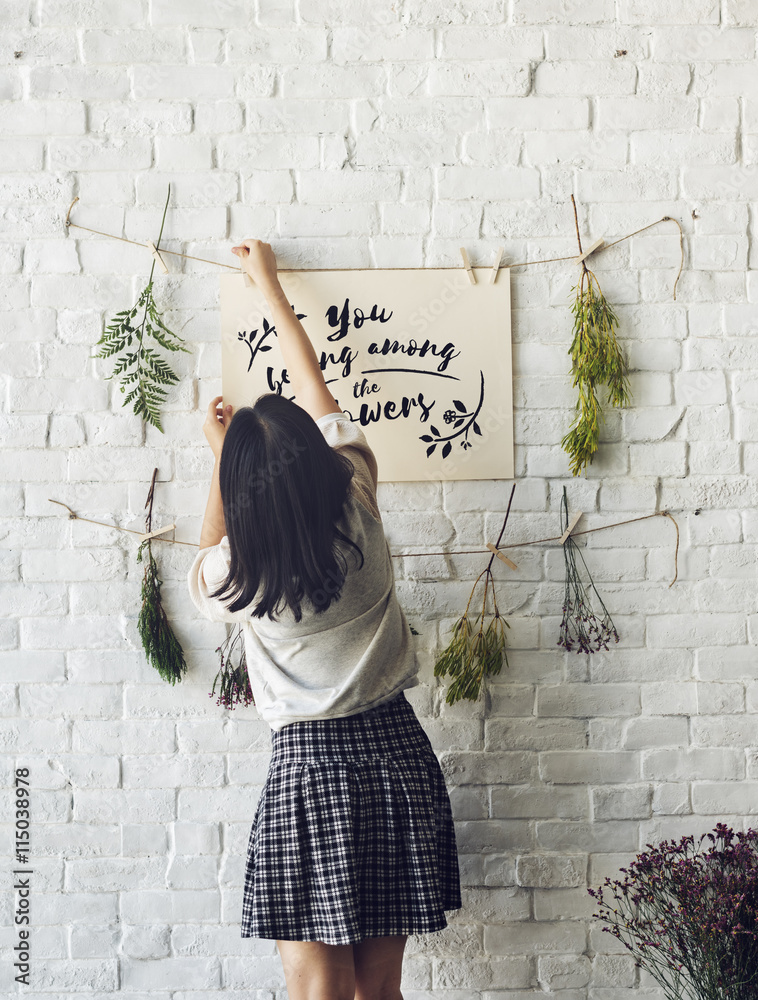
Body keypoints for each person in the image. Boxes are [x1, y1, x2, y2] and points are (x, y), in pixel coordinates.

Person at [187, 239, 462, 1000]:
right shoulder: (360, 508)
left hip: (309, 777)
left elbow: (205, 554)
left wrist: (218, 459)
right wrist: (268, 286)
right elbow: (318, 393)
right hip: (397, 758)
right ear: (317, 460)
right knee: (380, 995)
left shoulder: (240, 575)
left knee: (320, 997)